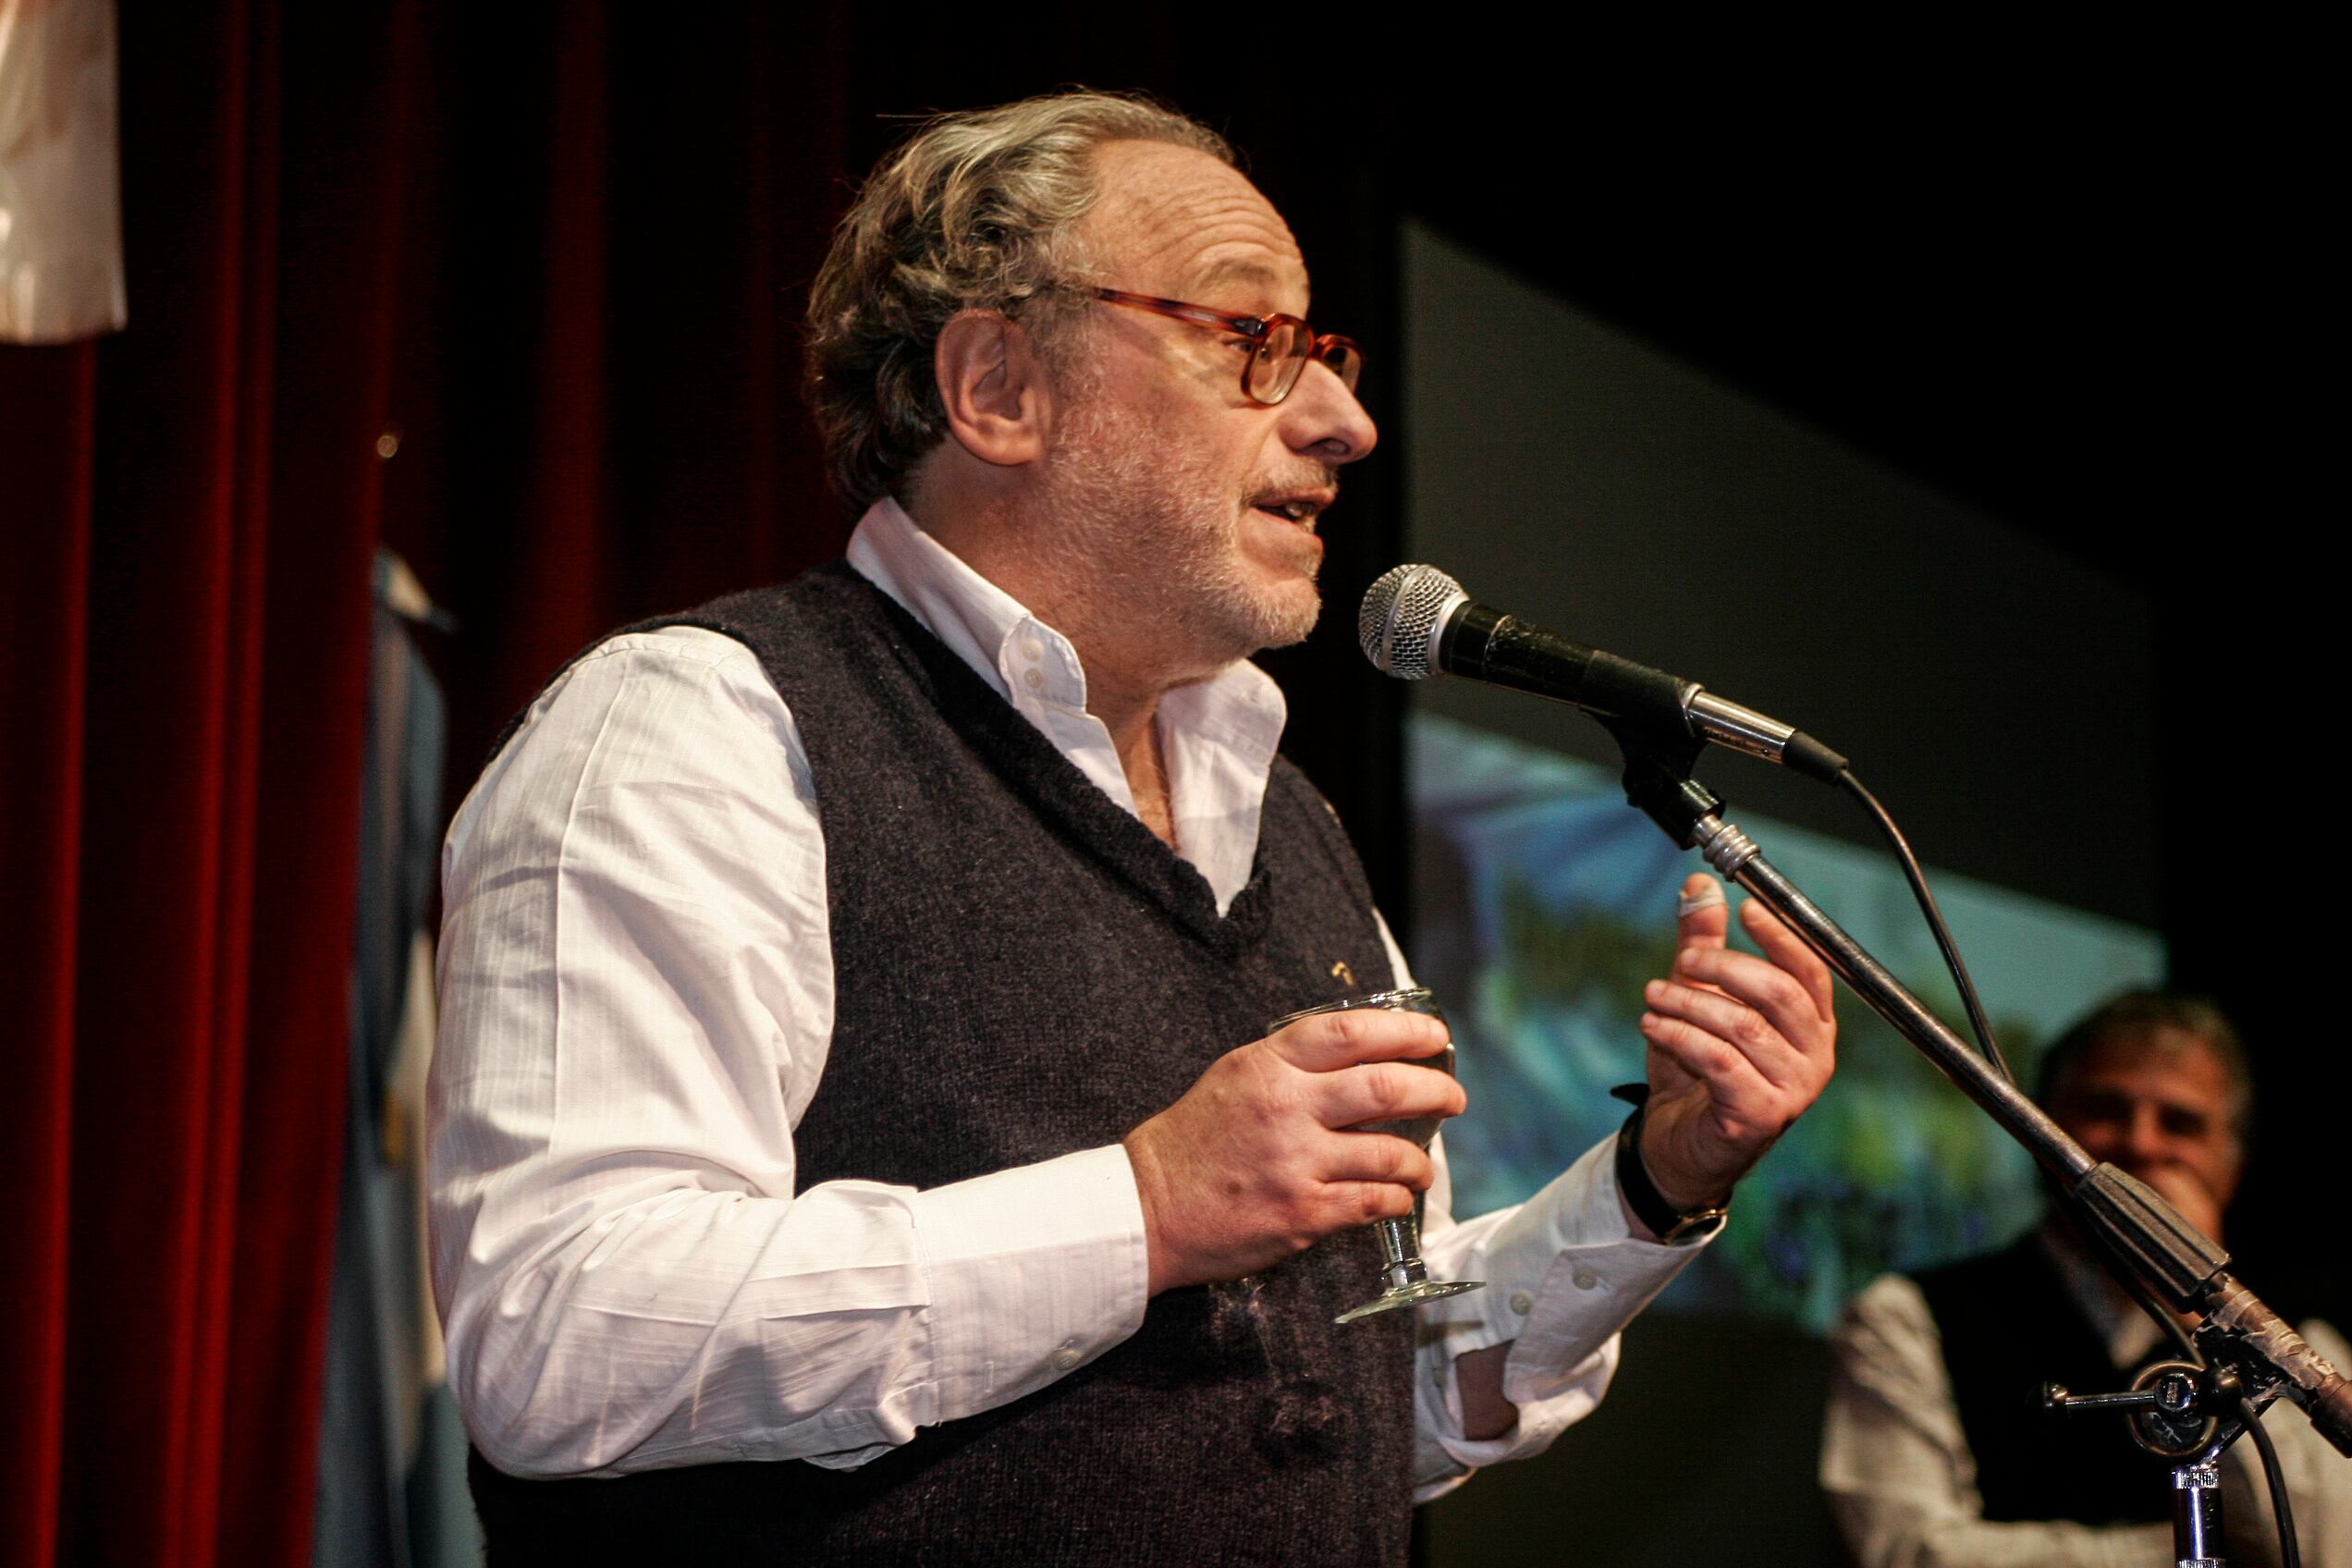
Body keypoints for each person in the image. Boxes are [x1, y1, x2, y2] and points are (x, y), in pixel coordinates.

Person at [429, 91, 1838, 1564]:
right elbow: (559, 1336)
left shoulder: (1285, 817)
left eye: (1325, 352)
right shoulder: (703, 728)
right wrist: (1147, 1207)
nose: (1344, 422)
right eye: (1252, 339)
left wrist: (1651, 1186)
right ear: (999, 388)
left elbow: (1375, 1407)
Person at [1822, 992, 2351, 1568]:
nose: (2140, 1144)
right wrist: (2180, 1552)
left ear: (2232, 1165)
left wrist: (2198, 1304)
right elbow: (1909, 1552)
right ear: (2040, 1133)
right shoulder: (1909, 1317)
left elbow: (2323, 1547)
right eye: (2105, 1110)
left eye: (2181, 1124)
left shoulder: (2306, 1343)